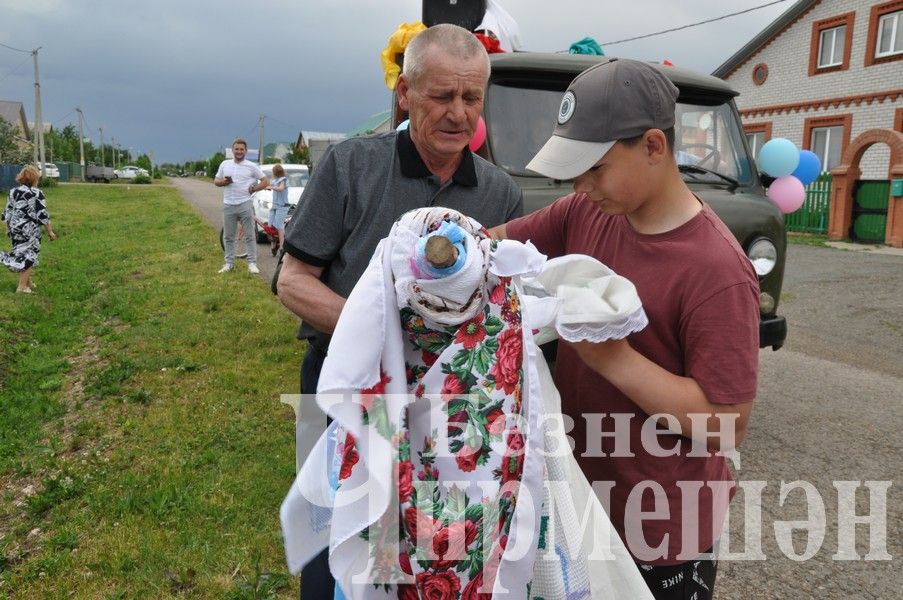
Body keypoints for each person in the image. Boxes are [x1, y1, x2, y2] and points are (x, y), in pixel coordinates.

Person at [491, 58, 759, 600]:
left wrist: (615, 361)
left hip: (657, 530)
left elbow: (727, 425)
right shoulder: (586, 212)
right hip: (578, 501)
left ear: (655, 147)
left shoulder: (717, 271)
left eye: (595, 168)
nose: (581, 185)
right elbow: (497, 249)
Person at [276, 23, 523, 599]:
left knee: (433, 526)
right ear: (405, 94)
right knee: (335, 517)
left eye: (471, 98)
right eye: (441, 96)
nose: (458, 113)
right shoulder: (350, 166)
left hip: (448, 398)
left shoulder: (499, 192)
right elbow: (292, 279)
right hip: (346, 380)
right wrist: (382, 336)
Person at [213, 138, 268, 274]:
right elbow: (216, 181)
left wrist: (254, 188)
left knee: (250, 235)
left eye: (241, 149)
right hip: (228, 204)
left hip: (244, 203)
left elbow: (266, 181)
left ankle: (252, 263)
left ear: (245, 151)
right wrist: (223, 182)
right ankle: (229, 263)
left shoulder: (251, 166)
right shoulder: (225, 164)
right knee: (229, 236)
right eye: (236, 149)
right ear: (232, 150)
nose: (239, 151)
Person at [1, 165, 56, 293]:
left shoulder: (13, 191)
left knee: (21, 252)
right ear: (34, 178)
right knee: (30, 255)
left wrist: (8, 228)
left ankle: (27, 282)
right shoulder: (37, 193)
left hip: (15, 228)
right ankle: (22, 287)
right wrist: (50, 231)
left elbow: (8, 211)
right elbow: (42, 214)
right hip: (29, 229)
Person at [266, 163, 288, 253]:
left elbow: (280, 188)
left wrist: (272, 187)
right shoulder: (275, 180)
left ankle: (282, 247)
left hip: (282, 206)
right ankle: (273, 244)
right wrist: (266, 187)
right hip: (275, 205)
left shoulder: (283, 180)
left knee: (279, 225)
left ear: (276, 172)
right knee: (270, 226)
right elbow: (270, 185)